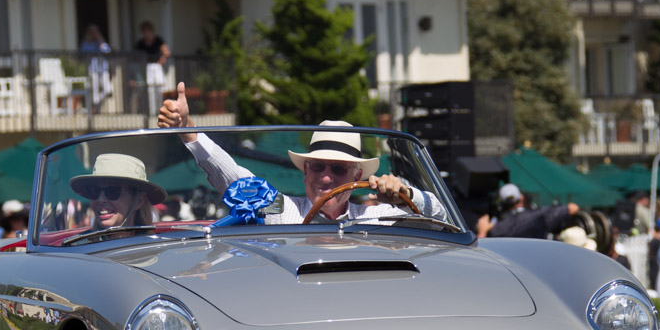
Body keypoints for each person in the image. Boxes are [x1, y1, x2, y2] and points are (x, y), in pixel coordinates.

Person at [157, 82, 445, 224]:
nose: (327, 177)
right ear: (305, 171)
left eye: (339, 169)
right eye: (319, 166)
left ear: (357, 175)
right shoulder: (283, 210)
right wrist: (188, 129)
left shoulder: (375, 217)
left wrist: (406, 195)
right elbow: (234, 179)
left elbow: (443, 217)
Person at [69, 153, 167, 230]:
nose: (101, 199)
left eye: (113, 191)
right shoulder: (78, 249)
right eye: (94, 191)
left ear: (139, 200)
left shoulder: (153, 250)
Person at [480, 182, 579, 239]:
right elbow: (573, 208)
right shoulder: (540, 215)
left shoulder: (497, 228)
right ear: (521, 197)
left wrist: (483, 230)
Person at [135, 21, 170, 115]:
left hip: (157, 66)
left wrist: (162, 59)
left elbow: (166, 52)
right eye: (144, 32)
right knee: (150, 89)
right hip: (148, 67)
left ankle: (161, 110)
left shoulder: (158, 40)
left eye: (148, 31)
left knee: (160, 87)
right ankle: (152, 112)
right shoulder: (141, 43)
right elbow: (136, 57)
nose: (146, 34)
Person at [80, 24, 112, 112]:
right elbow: (84, 53)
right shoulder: (85, 44)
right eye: (92, 32)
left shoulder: (100, 42)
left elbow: (107, 51)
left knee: (108, 89)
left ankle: (97, 104)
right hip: (93, 69)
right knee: (94, 89)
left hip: (103, 69)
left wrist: (100, 40)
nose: (93, 34)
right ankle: (96, 109)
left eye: (95, 32)